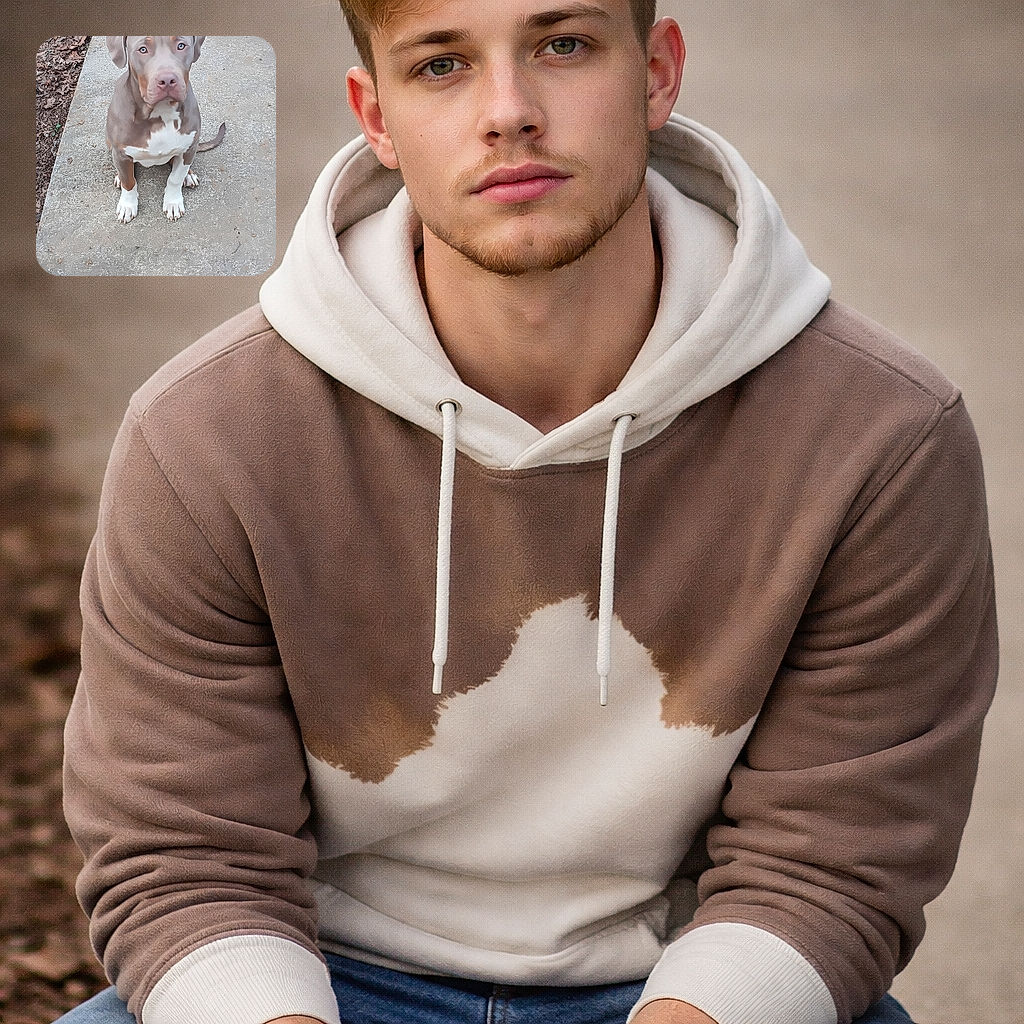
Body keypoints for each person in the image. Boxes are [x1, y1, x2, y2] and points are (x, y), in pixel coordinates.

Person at [59, 2, 999, 1024]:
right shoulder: (209, 438)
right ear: (374, 116)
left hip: (698, 981)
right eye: (442, 64)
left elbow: (831, 867)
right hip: (311, 978)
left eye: (562, 45)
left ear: (656, 72)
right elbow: (187, 863)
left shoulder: (877, 436)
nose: (508, 112)